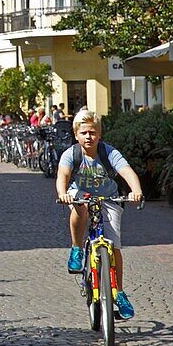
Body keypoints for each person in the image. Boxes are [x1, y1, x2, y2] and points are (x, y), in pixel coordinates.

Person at [56, 108, 144, 320]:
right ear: (76, 135)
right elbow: (63, 176)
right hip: (80, 195)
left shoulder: (109, 152)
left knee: (114, 247)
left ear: (100, 134)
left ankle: (119, 293)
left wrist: (136, 191)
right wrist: (63, 193)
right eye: (84, 133)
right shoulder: (72, 154)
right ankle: (77, 248)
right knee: (81, 206)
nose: (89, 137)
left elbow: (127, 171)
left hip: (109, 198)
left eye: (93, 132)